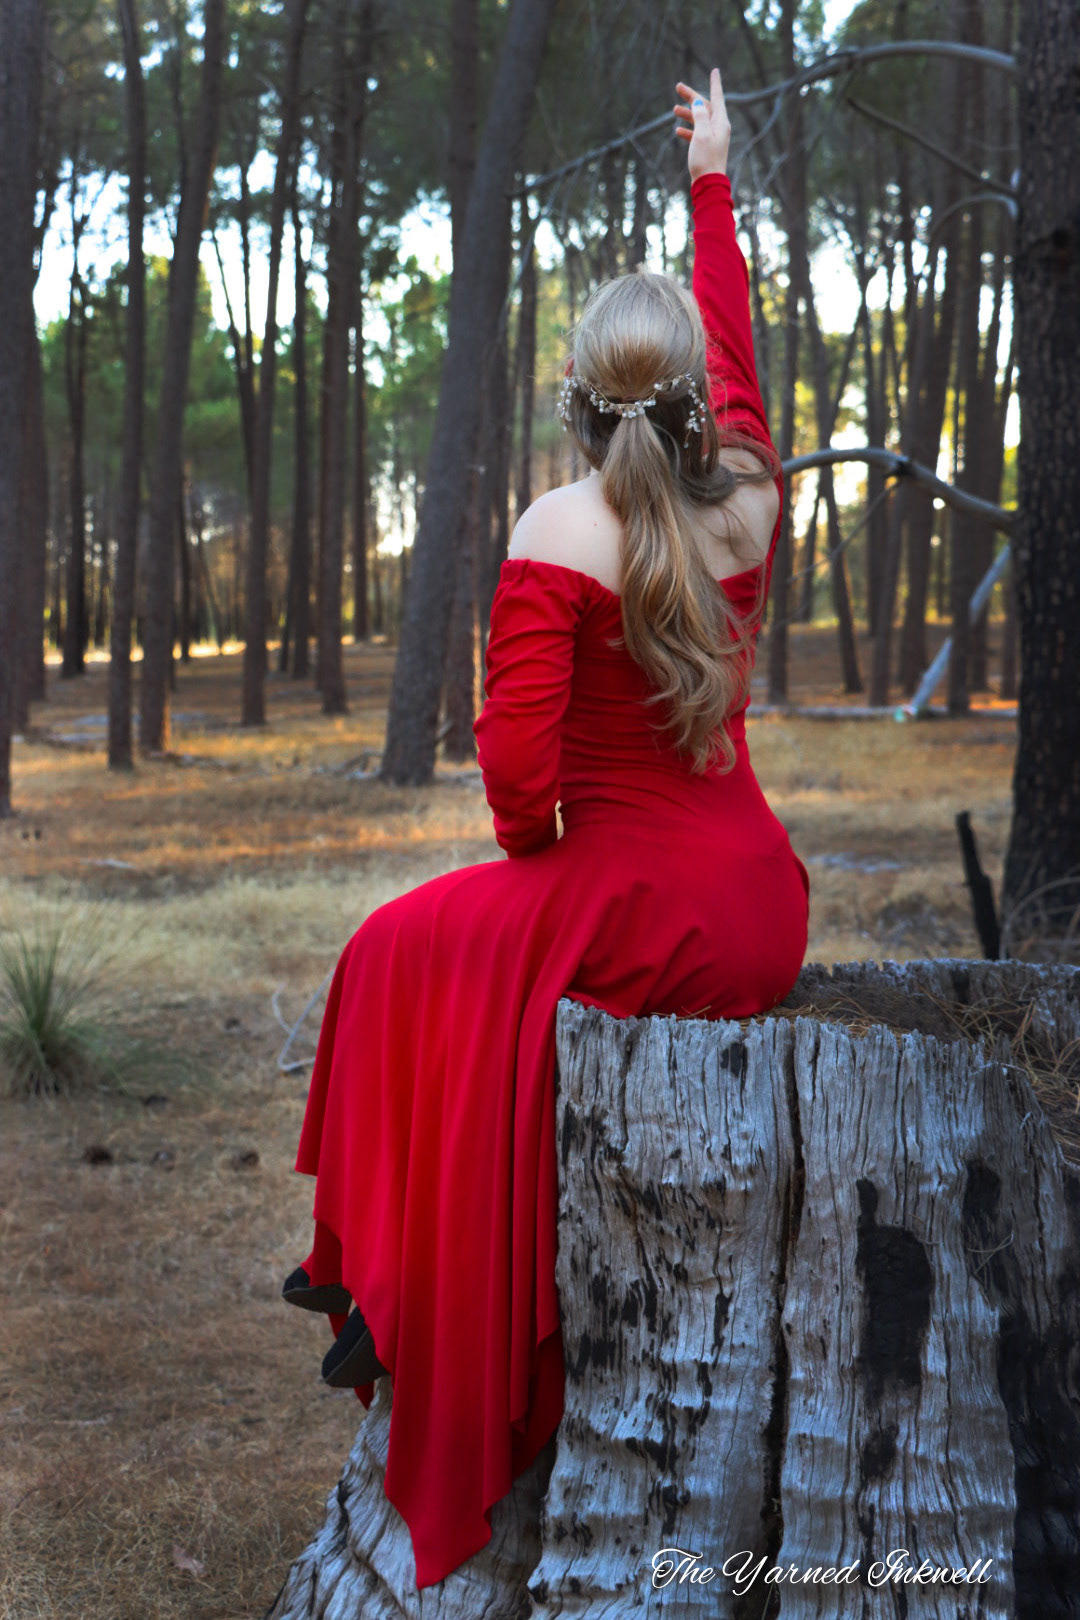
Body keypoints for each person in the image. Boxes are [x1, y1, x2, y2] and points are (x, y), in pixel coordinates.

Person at [281, 66, 809, 1594]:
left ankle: (380, 1292)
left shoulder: (553, 531)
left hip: (629, 891)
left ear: (575, 395)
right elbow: (743, 355)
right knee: (477, 975)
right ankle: (425, 1296)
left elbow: (517, 785)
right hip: (759, 900)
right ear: (701, 401)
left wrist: (557, 859)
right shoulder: (751, 499)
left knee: (396, 948)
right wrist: (713, 181)